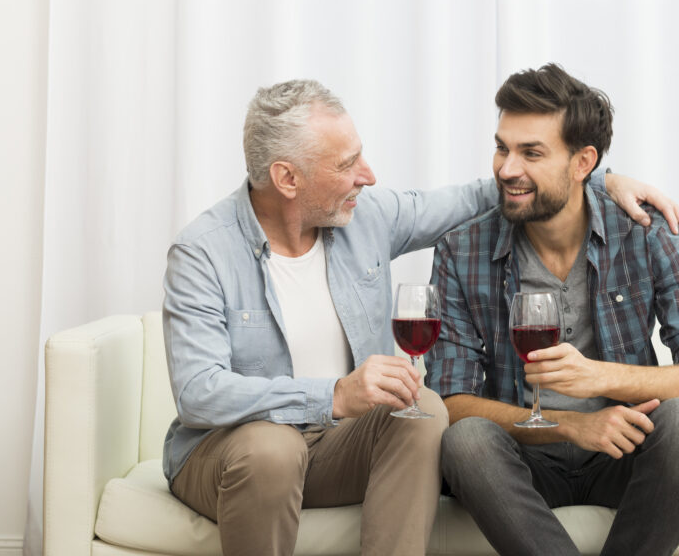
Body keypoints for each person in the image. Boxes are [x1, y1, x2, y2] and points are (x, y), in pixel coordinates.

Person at [163, 78, 677, 556]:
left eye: (532, 152)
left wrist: (599, 177)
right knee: (289, 448)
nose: (368, 176)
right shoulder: (203, 253)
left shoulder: (366, 218)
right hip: (243, 445)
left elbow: (494, 190)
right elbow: (198, 393)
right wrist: (335, 395)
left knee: (422, 408)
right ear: (287, 177)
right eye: (348, 164)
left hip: (346, 442)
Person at [427, 64, 679, 556]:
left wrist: (600, 379)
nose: (506, 168)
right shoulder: (463, 250)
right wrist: (571, 425)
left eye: (531, 152)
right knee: (467, 442)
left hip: (624, 451)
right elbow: (451, 403)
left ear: (584, 161)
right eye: (502, 147)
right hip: (524, 458)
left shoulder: (646, 235)